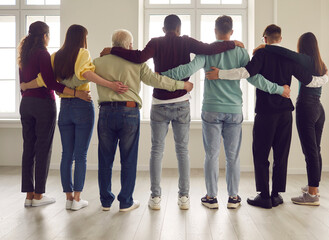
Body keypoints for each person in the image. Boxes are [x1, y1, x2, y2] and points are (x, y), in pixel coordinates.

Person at [100, 14, 243, 210]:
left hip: (159, 102)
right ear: (179, 29)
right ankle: (184, 197)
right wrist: (231, 43)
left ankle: (155, 197)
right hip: (181, 101)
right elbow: (210, 48)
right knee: (182, 151)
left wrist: (114, 50)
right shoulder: (186, 41)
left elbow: (139, 57)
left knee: (156, 151)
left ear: (163, 29)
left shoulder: (156, 42)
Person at [162, 16, 290, 209]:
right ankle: (233, 198)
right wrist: (279, 89)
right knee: (233, 157)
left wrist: (162, 75)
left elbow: (188, 69)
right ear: (232, 31)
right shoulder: (239, 51)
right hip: (234, 110)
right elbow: (255, 78)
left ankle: (211, 198)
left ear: (215, 31)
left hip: (211, 110)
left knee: (211, 155)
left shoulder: (207, 51)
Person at [206, 24, 328, 209]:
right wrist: (325, 77)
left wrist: (220, 74)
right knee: (281, 154)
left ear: (265, 38)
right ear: (280, 38)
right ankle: (276, 195)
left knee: (261, 154)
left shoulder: (261, 54)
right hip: (286, 113)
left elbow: (246, 73)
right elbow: (308, 80)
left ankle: (264, 196)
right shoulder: (288, 58)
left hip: (266, 112)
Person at [21, 24, 127, 211]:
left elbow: (43, 80)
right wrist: (110, 85)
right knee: (81, 155)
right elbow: (85, 73)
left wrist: (26, 86)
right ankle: (76, 199)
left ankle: (68, 197)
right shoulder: (83, 53)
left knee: (66, 155)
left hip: (64, 108)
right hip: (82, 106)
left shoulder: (55, 56)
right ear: (82, 38)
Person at [94, 29, 193, 212]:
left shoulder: (98, 62)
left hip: (106, 112)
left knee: (105, 159)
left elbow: (81, 76)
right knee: (129, 159)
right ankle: (126, 202)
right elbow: (157, 81)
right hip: (129, 112)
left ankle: (106, 202)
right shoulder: (136, 63)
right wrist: (182, 85)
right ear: (129, 45)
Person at [18, 21, 90, 207]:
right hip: (43, 104)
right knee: (43, 148)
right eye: (48, 35)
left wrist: (26, 90)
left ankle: (28, 196)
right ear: (44, 36)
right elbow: (50, 83)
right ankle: (39, 196)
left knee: (28, 149)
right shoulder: (43, 54)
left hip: (25, 103)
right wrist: (75, 93)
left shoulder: (23, 55)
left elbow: (22, 84)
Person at [253, 32, 326, 206]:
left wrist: (265, 47)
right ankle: (311, 187)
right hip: (317, 108)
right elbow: (309, 78)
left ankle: (311, 193)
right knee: (312, 149)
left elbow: (287, 54)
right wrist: (325, 78)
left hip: (304, 107)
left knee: (309, 151)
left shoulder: (301, 59)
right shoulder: (320, 63)